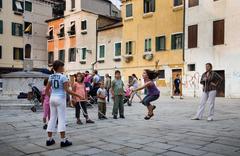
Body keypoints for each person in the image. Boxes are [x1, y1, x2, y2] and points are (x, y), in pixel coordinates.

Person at [45, 60, 84, 147]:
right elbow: (67, 90)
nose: (64, 68)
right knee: (62, 119)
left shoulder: (51, 76)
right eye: (63, 66)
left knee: (52, 118)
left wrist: (51, 96)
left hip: (52, 98)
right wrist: (78, 95)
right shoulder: (63, 77)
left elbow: (46, 90)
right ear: (59, 67)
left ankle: (49, 139)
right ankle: (63, 140)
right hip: (60, 98)